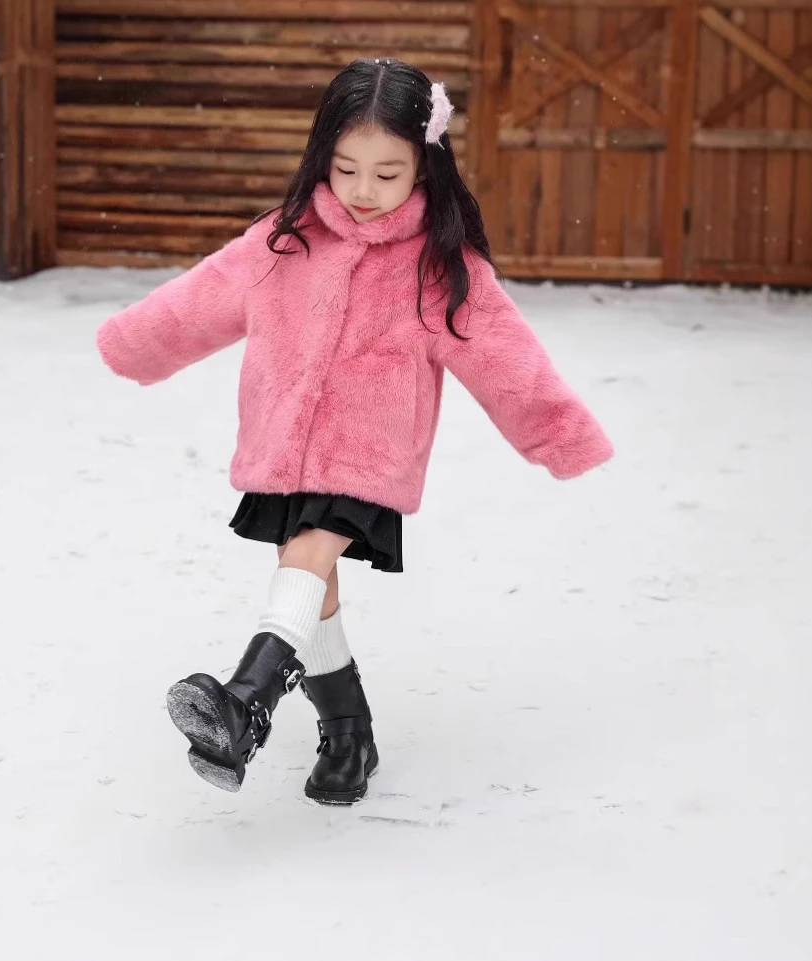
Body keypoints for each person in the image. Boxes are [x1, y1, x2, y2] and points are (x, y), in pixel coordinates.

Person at [96, 59, 613, 805]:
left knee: (308, 554)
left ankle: (245, 699)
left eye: (386, 174)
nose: (363, 191)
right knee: (311, 581)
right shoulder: (283, 241)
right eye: (345, 169)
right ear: (321, 158)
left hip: (370, 452)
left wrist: (558, 432)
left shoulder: (439, 266)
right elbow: (197, 301)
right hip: (283, 445)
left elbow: (505, 357)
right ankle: (349, 733)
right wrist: (134, 342)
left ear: (424, 169)